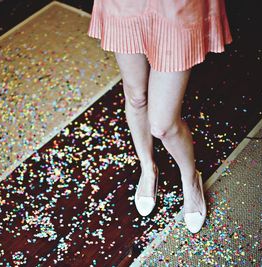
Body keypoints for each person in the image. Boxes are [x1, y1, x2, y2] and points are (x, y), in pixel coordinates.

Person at [87, 0, 232, 234]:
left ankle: (190, 177)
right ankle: (147, 166)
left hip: (174, 7)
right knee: (136, 97)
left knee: (163, 124)